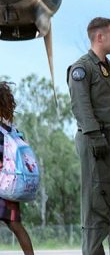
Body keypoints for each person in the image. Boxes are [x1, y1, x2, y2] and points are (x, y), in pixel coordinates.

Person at [67, 17, 110, 255]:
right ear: (100, 37)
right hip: (93, 142)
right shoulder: (82, 68)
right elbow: (81, 106)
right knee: (97, 206)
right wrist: (95, 137)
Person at [0, 82, 34, 255]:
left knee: (15, 226)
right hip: (11, 185)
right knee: (16, 226)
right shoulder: (12, 130)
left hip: (1, 184)